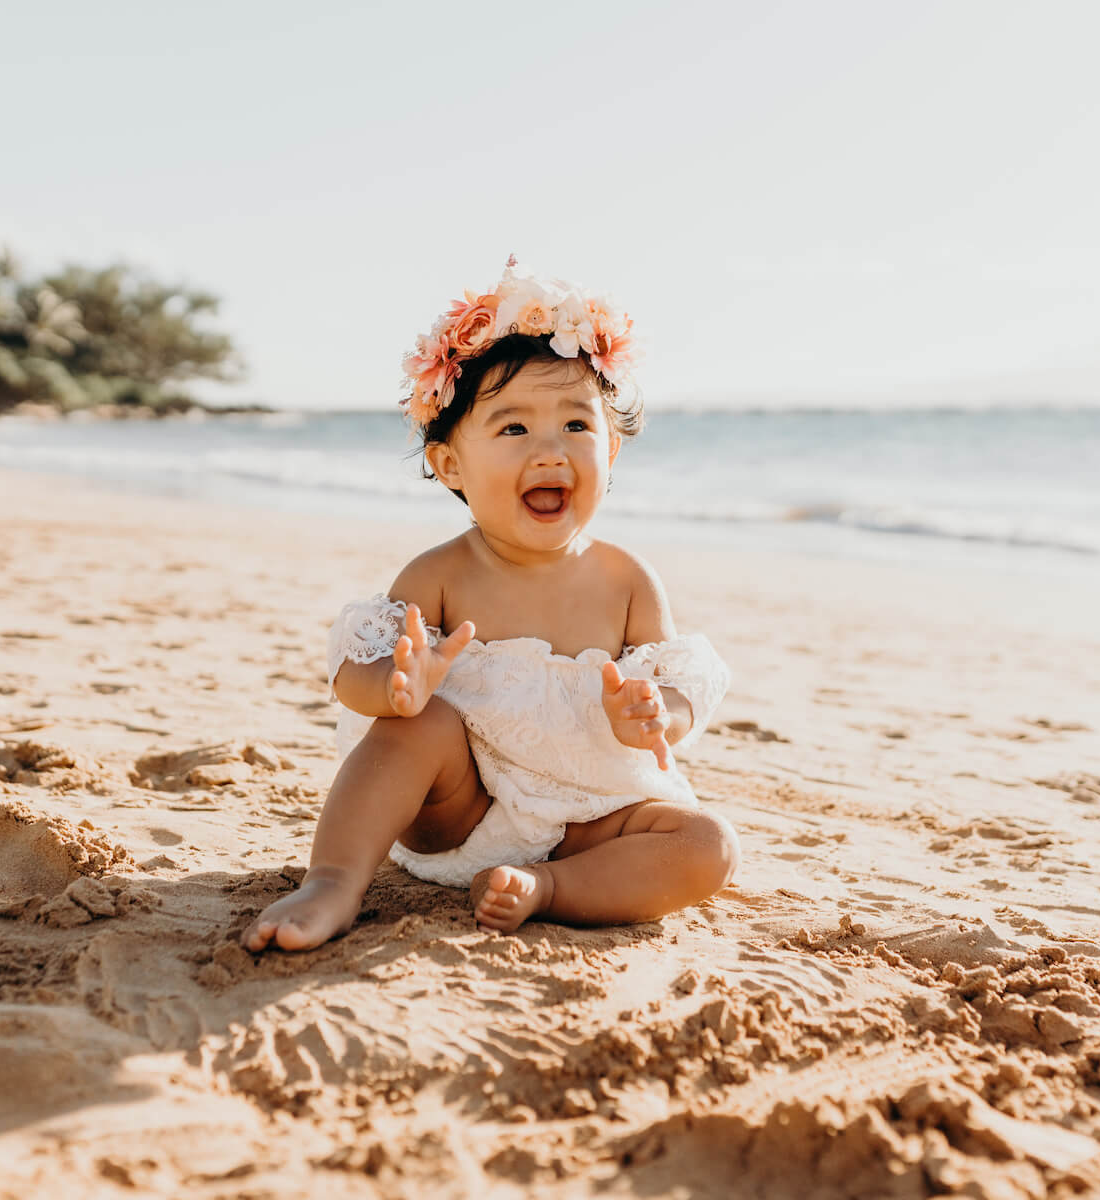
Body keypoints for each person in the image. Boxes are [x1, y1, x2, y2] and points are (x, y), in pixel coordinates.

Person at [244, 258, 738, 952]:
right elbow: (352, 672)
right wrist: (392, 685)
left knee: (707, 845)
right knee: (418, 727)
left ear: (613, 448)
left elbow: (676, 681)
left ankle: (546, 890)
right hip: (457, 817)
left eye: (575, 425)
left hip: (588, 822)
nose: (549, 451)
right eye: (513, 430)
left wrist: (659, 712)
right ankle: (332, 879)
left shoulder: (629, 580)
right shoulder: (441, 574)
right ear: (451, 466)